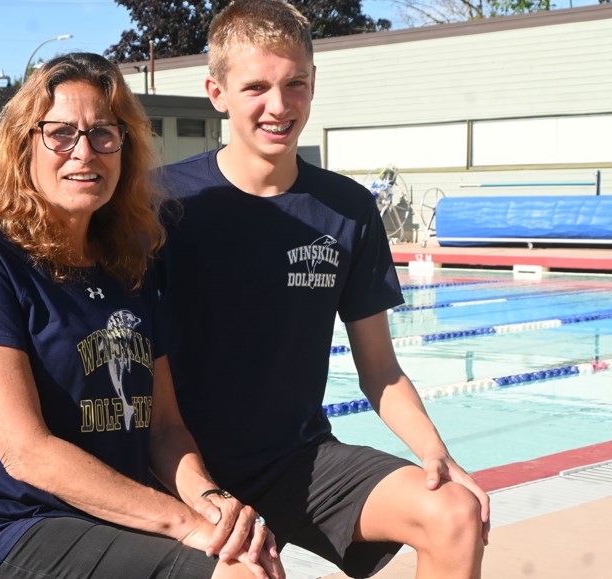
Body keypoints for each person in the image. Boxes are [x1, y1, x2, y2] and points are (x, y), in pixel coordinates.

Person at [156, 2, 490, 578]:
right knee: (248, 570)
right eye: (256, 86)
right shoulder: (163, 204)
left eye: (296, 85)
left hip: (298, 461)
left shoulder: (347, 208)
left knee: (454, 512)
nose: (279, 106)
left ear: (314, 85)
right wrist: (202, 492)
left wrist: (437, 454)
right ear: (217, 92)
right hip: (184, 470)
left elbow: (380, 370)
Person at [0, 52, 283, 579]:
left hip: (110, 519)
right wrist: (184, 524)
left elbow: (163, 428)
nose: (84, 152)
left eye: (104, 134)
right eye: (61, 133)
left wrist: (213, 504)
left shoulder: (129, 267)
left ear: (125, 150)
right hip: (5, 529)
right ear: (23, 144)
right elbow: (27, 453)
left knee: (249, 556)